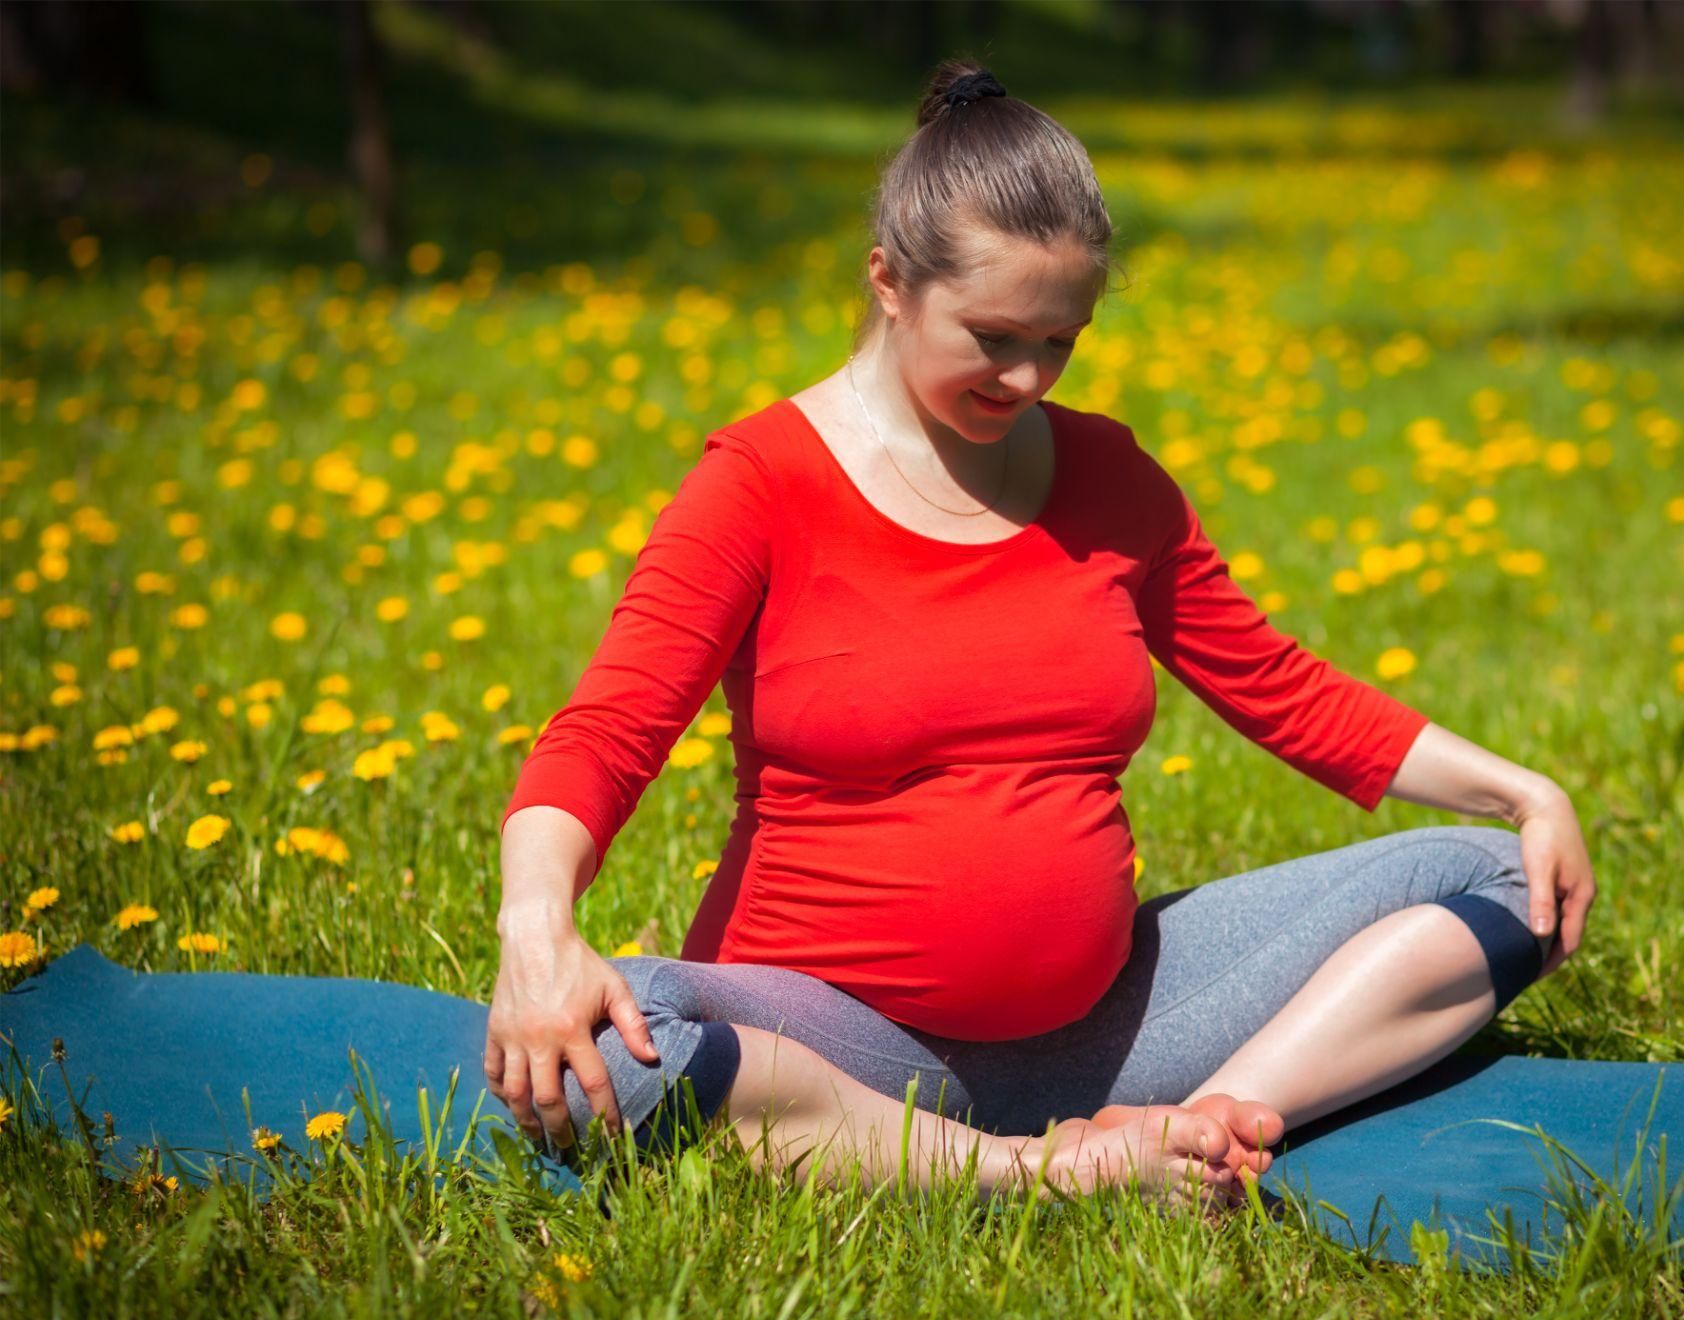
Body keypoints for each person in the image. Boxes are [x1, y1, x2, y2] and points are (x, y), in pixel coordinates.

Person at [485, 60, 1597, 1212]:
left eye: (1060, 341)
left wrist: (1519, 792)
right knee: (606, 1053)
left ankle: (1193, 1125)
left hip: (1104, 1032)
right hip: (825, 1041)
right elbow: (608, 729)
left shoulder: (1109, 476)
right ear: (888, 284)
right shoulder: (759, 481)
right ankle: (1045, 1176)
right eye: (993, 335)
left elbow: (1281, 688)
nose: (1025, 376)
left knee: (1506, 880)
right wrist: (536, 929)